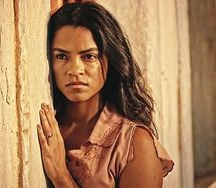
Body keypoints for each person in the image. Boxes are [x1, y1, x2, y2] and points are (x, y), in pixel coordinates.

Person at [37, 2, 174, 188]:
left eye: (89, 56)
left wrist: (61, 177)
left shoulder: (133, 144)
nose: (75, 70)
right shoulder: (45, 127)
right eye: (61, 56)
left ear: (111, 59)